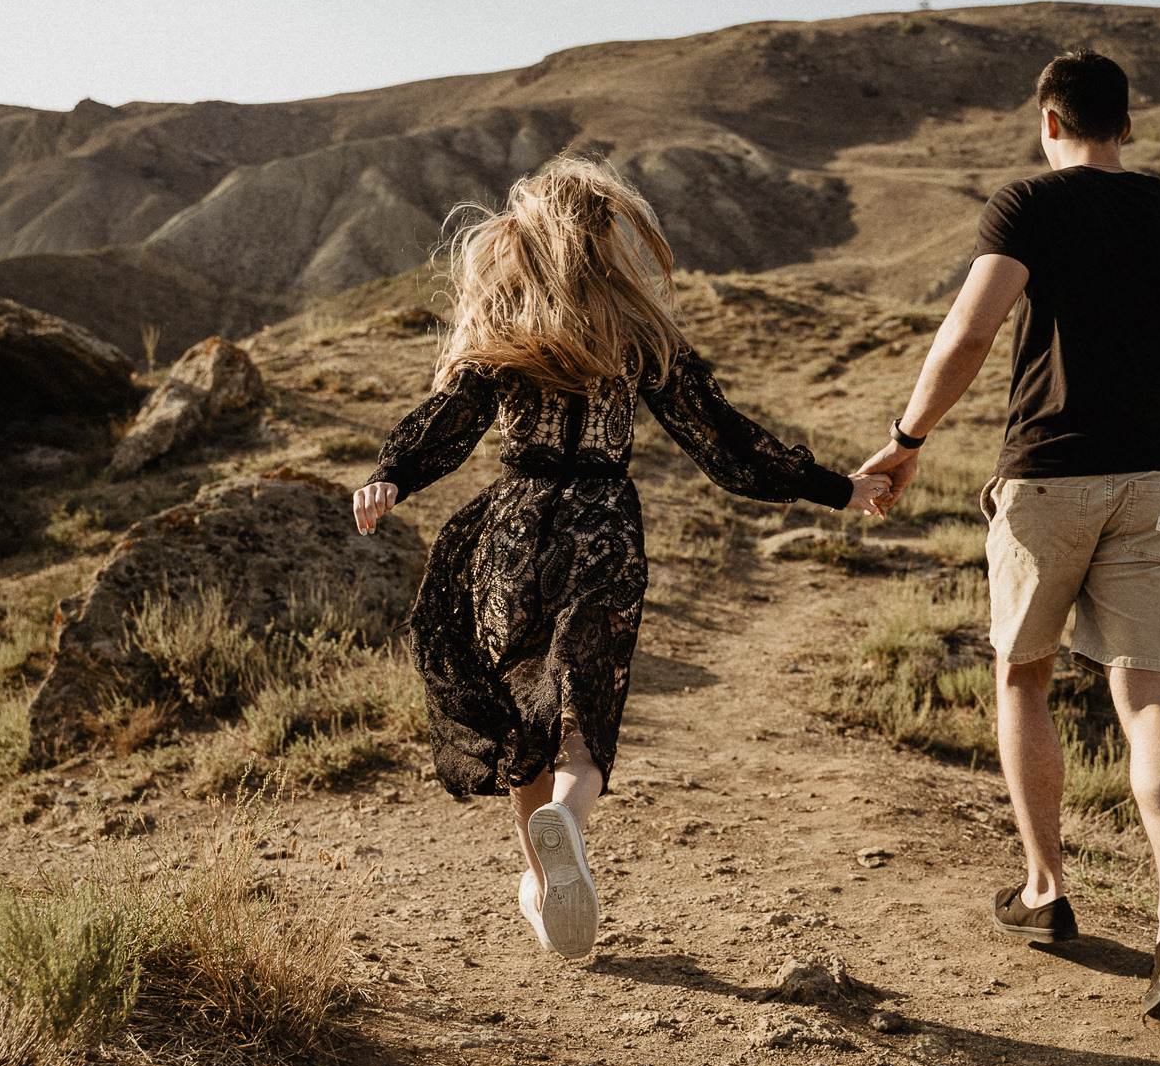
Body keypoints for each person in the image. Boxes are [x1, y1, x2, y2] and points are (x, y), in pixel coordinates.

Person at [353, 156, 889, 961]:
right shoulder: (637, 330)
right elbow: (728, 442)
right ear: (607, 236)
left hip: (514, 531)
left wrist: (391, 473)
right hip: (601, 528)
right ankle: (566, 823)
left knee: (519, 712)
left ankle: (541, 881)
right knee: (584, 713)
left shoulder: (505, 314)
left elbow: (452, 415)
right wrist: (834, 489)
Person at [856, 50, 1160, 1022]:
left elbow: (970, 335)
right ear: (1127, 126)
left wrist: (905, 441)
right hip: (1149, 479)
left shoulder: (1027, 203)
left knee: (1022, 675)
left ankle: (1044, 889)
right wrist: (1153, 409)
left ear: (1048, 122)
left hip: (1046, 478)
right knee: (1144, 690)